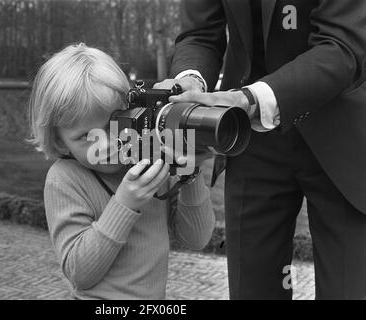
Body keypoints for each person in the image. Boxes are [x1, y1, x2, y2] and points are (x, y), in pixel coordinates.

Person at [155, 0, 366, 299]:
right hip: (247, 138)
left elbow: (341, 44)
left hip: (342, 131)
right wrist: (190, 80)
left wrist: (251, 99)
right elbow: (200, 34)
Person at [28, 43, 215, 299]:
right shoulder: (64, 179)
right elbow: (79, 273)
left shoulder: (148, 156)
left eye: (112, 124)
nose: (104, 144)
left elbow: (197, 239)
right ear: (60, 141)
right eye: (85, 136)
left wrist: (190, 175)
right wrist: (126, 203)